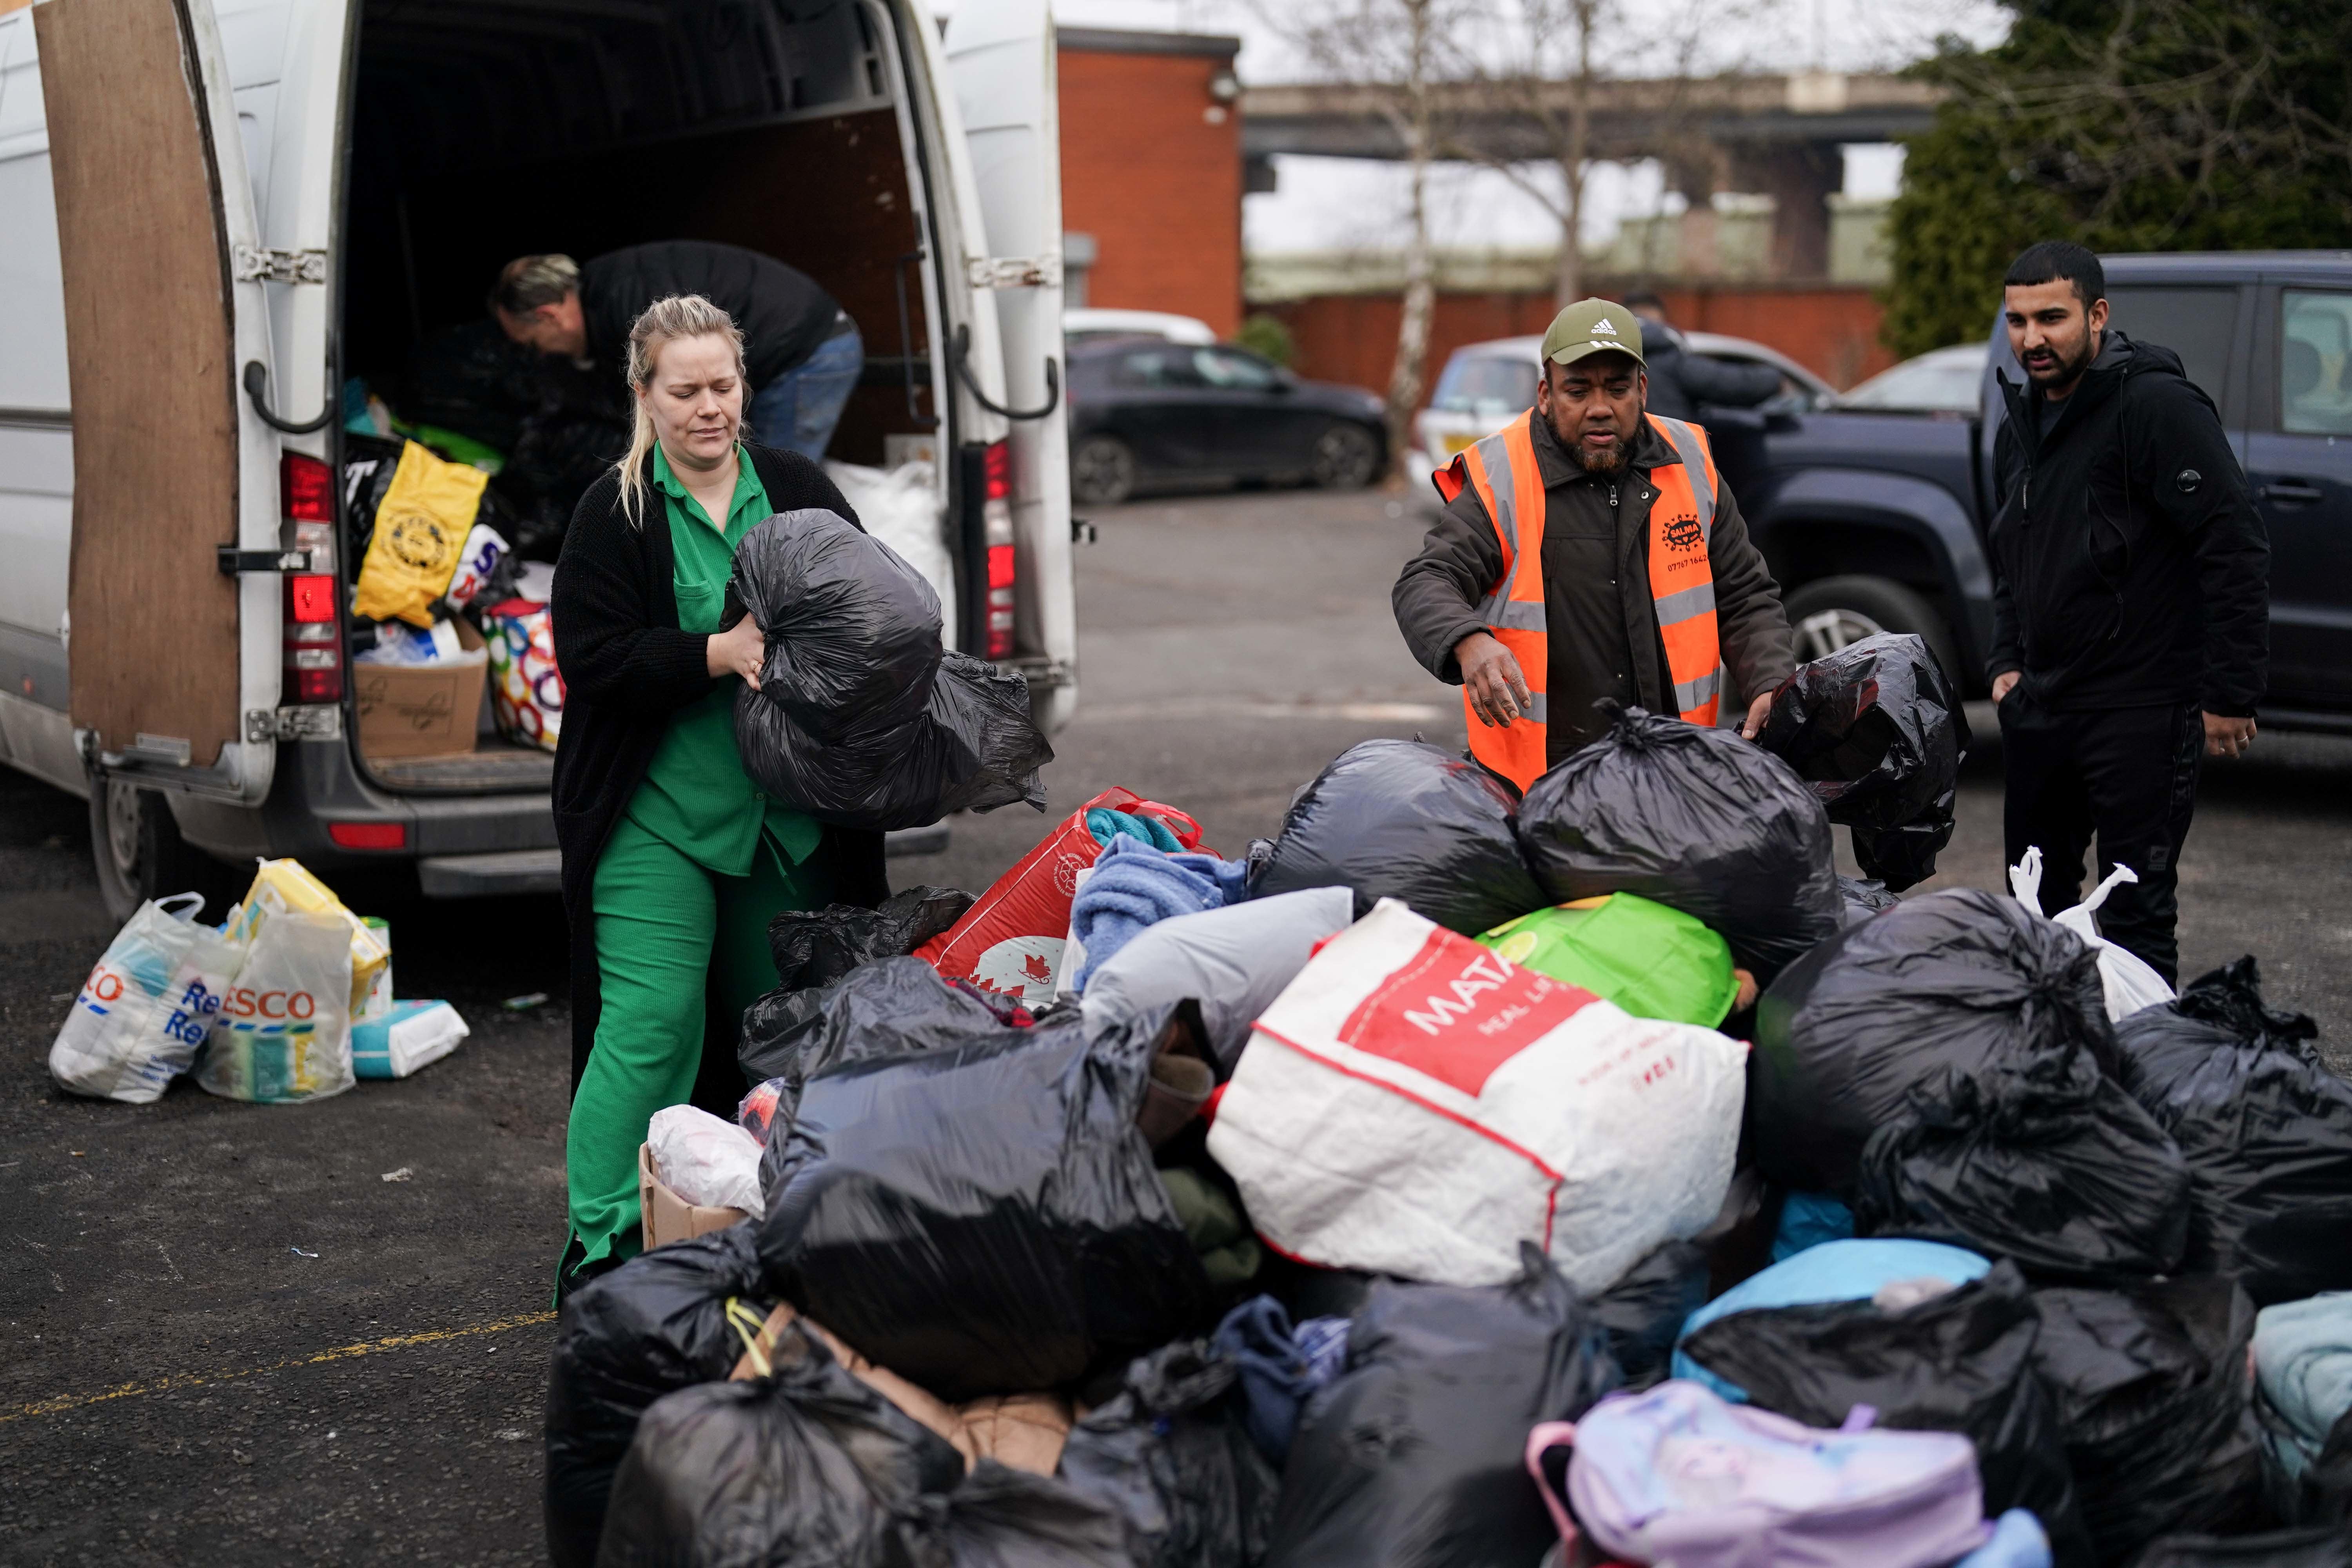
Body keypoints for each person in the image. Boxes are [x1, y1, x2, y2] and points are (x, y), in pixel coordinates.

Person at [547, 293, 886, 1299]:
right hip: (655, 813)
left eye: (724, 386)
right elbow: (592, 657)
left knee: (785, 1030)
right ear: (644, 398)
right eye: (684, 390)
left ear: (747, 385)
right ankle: (603, 1244)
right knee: (651, 1020)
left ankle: (765, 1223)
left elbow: (867, 603)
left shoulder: (792, 486)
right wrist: (714, 651)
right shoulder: (616, 512)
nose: (708, 408)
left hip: (778, 817)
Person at [1987, 241, 2268, 985]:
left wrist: (2231, 692)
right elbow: (2012, 553)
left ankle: (2141, 1075)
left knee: (2136, 913)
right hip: (2044, 703)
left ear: (2098, 315)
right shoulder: (2019, 422)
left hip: (2141, 705)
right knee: (2034, 906)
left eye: (2052, 317)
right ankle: (2050, 1067)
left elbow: (2232, 540)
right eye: (2018, 321)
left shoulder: (2153, 405)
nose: (2032, 339)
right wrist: (2007, 662)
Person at [1394, 299, 1798, 788]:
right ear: (1546, 395)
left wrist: (1769, 680)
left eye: (1617, 388)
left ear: (1642, 390)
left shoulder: (1691, 462)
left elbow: (1744, 596)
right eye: (1578, 390)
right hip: (1541, 788)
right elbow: (1427, 579)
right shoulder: (1502, 475)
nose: (1600, 407)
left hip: (1673, 771)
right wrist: (1467, 639)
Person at [494, 244, 863, 462]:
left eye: (531, 342)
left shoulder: (627, 310)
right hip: (808, 339)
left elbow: (676, 405)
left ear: (549, 317)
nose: (540, 354)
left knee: (774, 496)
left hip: (809, 354)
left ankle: (786, 590)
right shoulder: (603, 291)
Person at [1620, 289, 1784, 423]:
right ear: (1660, 322)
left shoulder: (1602, 359)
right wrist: (1776, 379)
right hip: (1668, 454)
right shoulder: (1672, 360)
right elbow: (1734, 385)